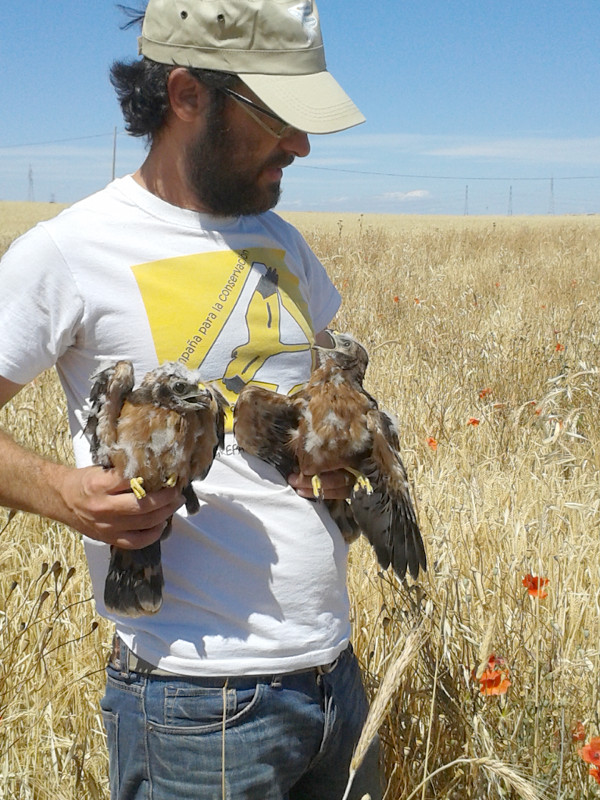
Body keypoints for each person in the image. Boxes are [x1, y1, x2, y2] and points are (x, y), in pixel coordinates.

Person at [0, 2, 383, 798]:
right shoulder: (69, 251)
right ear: (185, 96)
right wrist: (61, 492)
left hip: (334, 678)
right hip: (195, 706)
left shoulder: (282, 241)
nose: (301, 144)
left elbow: (319, 398)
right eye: (279, 115)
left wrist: (336, 465)